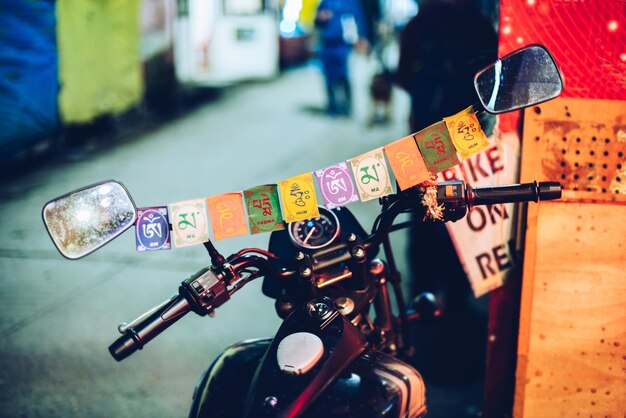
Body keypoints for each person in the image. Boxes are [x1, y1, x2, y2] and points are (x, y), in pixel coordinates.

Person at [395, 0, 498, 391]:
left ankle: (436, 339)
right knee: (443, 247)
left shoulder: (426, 26)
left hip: (440, 149)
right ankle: (438, 339)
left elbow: (406, 77)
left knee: (433, 247)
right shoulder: (470, 25)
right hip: (444, 150)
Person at [315, 0, 369, 116]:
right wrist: (320, 18)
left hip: (344, 44)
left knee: (344, 75)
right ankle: (332, 105)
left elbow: (359, 19)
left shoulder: (351, 3)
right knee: (329, 77)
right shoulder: (325, 2)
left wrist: (363, 37)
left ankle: (346, 106)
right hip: (327, 44)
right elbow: (316, 21)